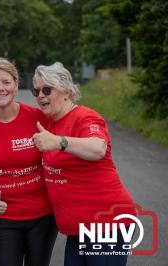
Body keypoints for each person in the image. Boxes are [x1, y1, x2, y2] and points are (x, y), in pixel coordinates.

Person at [32, 62, 135, 266]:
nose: (40, 95)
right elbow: (14, 112)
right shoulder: (50, 120)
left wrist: (59, 142)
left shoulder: (84, 117)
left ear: (67, 91)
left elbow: (98, 148)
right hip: (77, 229)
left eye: (47, 89)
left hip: (106, 226)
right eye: (36, 90)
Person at [0, 57, 58, 266]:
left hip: (43, 216)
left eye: (6, 82)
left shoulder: (37, 117)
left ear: (16, 84)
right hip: (4, 217)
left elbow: (65, 115)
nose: (0, 88)